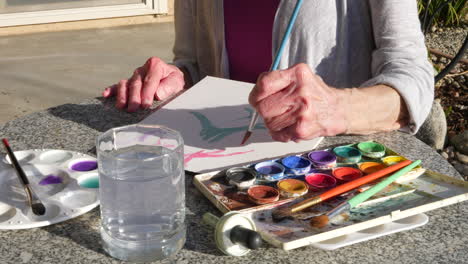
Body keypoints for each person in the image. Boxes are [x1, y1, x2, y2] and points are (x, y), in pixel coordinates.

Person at [103, 0, 434, 143]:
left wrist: (335, 108)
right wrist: (177, 79)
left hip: (327, 179)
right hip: (223, 176)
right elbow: (196, 64)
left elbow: (412, 75)